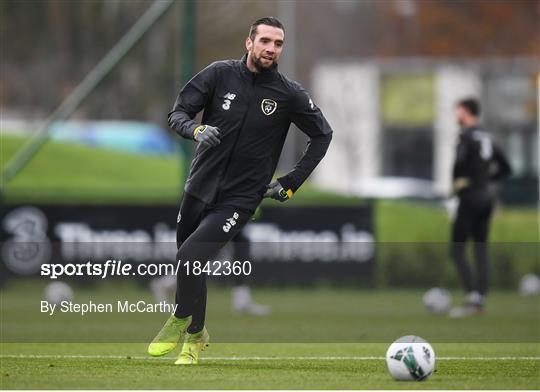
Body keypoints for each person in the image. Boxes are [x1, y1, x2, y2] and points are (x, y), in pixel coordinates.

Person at [147, 16, 333, 364]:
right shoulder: (219, 74)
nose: (271, 49)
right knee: (191, 266)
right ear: (249, 43)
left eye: (278, 44)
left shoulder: (289, 94)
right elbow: (178, 113)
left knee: (190, 257)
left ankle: (180, 320)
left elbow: (323, 135)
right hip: (198, 187)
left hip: (240, 199)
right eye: (265, 41)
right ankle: (196, 337)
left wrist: (291, 183)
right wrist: (195, 131)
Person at [448, 98, 511, 318]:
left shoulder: (466, 137)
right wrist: (485, 181)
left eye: (458, 111)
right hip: (486, 198)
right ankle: (480, 300)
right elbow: (506, 168)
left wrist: (459, 186)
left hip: (470, 198)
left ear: (466, 112)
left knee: (456, 249)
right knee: (481, 248)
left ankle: (471, 295)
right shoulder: (488, 136)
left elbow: (459, 166)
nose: (456, 115)